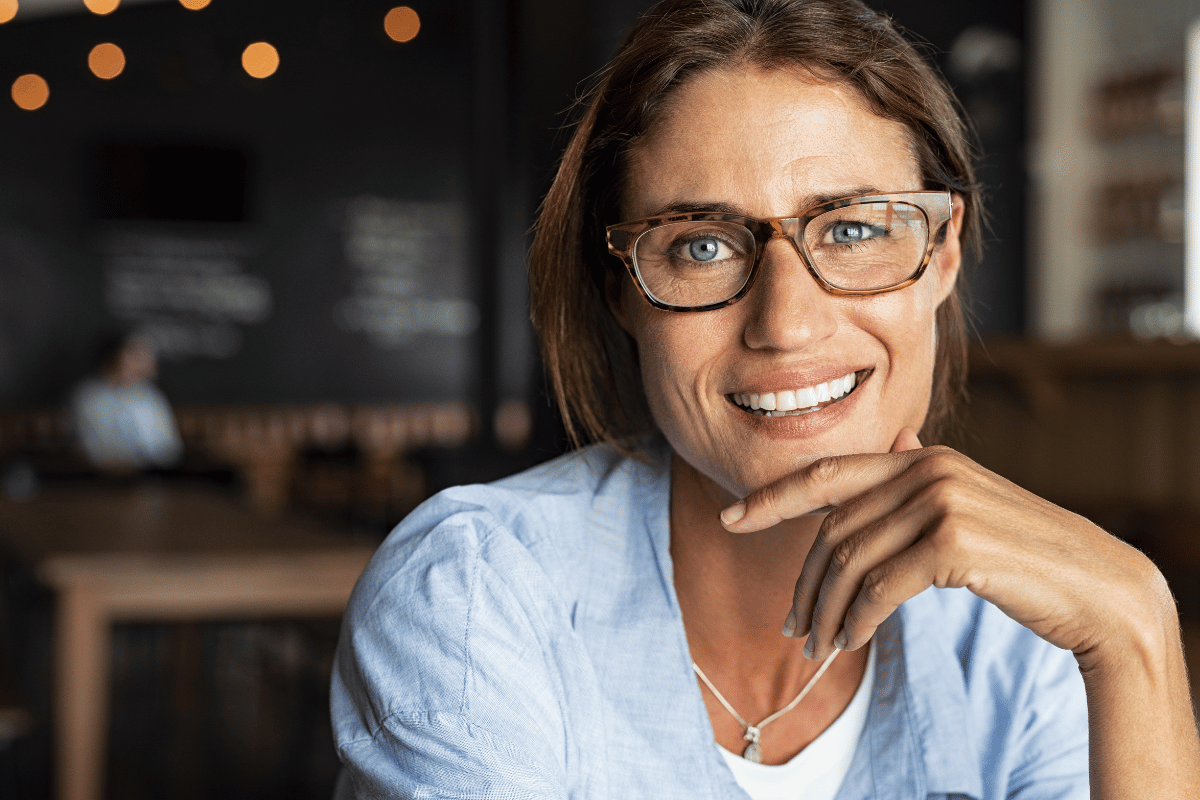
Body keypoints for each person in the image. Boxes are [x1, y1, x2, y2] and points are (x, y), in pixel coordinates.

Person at [331, 0, 1200, 797]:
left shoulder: (1019, 642)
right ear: (622, 290)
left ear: (942, 254)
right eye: (702, 246)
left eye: (854, 229)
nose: (785, 323)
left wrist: (1136, 633)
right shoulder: (477, 593)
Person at [71, 332, 182, 473]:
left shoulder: (151, 396)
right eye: (136, 356)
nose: (145, 365)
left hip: (158, 476)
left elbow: (170, 447)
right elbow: (97, 453)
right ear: (114, 356)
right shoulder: (90, 397)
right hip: (102, 481)